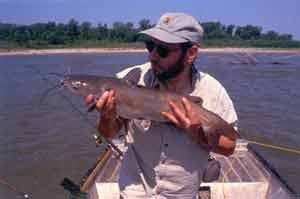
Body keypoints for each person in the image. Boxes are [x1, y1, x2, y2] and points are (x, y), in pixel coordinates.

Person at [86, 12, 239, 199]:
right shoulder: (128, 81)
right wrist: (106, 117)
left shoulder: (212, 91)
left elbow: (230, 146)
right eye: (150, 46)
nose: (152, 56)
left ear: (190, 54)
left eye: (163, 51)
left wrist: (195, 131)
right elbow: (108, 133)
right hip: (134, 193)